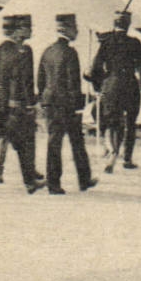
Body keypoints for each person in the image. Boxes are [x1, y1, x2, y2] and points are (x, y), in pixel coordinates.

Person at [0, 14, 42, 196]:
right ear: (18, 32)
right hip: (12, 106)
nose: (31, 31)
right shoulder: (23, 53)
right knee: (23, 143)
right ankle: (30, 183)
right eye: (27, 28)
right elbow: (26, 81)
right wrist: (29, 105)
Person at [87, 10, 141, 172]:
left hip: (111, 86)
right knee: (130, 123)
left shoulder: (106, 42)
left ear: (114, 24)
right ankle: (127, 158)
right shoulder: (135, 43)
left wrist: (98, 87)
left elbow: (95, 68)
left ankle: (111, 150)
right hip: (130, 86)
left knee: (111, 122)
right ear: (128, 25)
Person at [39, 13, 95, 195]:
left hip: (50, 103)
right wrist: (78, 107)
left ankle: (53, 183)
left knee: (53, 143)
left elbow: (40, 80)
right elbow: (73, 82)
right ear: (68, 30)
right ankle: (84, 180)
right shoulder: (70, 53)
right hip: (67, 105)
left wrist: (44, 99)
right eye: (75, 28)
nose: (77, 32)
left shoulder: (47, 51)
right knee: (77, 141)